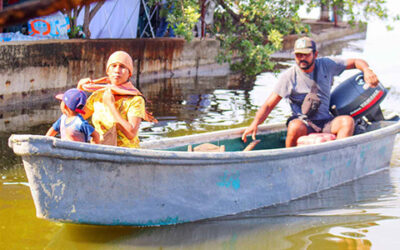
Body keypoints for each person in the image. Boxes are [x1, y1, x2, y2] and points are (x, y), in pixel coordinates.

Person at [242, 36, 379, 147]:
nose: (302, 59)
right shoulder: (288, 77)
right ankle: (288, 159)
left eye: (306, 55)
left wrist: (367, 70)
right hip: (304, 123)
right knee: (295, 126)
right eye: (298, 55)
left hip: (326, 122)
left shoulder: (327, 65)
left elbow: (356, 62)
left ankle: (337, 156)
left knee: (347, 122)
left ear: (315, 54)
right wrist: (254, 124)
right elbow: (268, 105)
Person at [77, 51, 157, 148]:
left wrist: (111, 105)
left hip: (126, 153)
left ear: (129, 73)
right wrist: (79, 90)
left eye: (122, 67)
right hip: (100, 149)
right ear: (108, 71)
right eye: (113, 66)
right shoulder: (98, 95)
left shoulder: (135, 100)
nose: (117, 70)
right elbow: (76, 116)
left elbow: (131, 134)